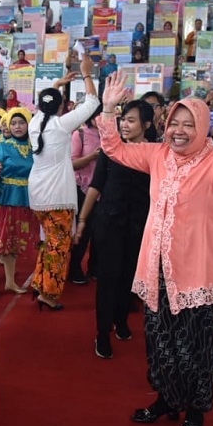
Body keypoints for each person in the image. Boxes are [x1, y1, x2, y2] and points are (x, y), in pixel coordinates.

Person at [98, 70, 213, 426]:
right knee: (161, 340)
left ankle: (195, 413)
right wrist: (107, 109)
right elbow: (116, 149)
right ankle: (167, 400)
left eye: (189, 124)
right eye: (174, 123)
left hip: (201, 269)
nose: (179, 131)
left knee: (197, 346)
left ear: (202, 127)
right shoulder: (157, 155)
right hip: (158, 267)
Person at [76, 100, 153, 358]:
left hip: (139, 225)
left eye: (132, 120)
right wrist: (83, 220)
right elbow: (96, 186)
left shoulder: (156, 154)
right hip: (108, 222)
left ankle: (120, 320)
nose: (125, 125)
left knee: (128, 276)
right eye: (124, 120)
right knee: (108, 278)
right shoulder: (110, 149)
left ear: (147, 125)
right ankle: (102, 333)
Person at [28, 55, 99, 311]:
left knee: (49, 244)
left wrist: (58, 83)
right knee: (59, 248)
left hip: (38, 196)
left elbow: (44, 101)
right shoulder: (60, 125)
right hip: (57, 196)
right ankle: (48, 293)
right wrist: (86, 73)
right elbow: (92, 102)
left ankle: (40, 283)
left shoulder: (35, 123)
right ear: (60, 107)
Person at [0, 106, 37, 295]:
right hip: (4, 199)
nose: (17, 127)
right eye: (13, 123)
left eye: (21, 122)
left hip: (25, 199)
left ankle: (10, 282)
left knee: (14, 243)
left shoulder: (35, 148)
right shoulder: (2, 147)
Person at [67, 109, 101, 285]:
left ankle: (95, 267)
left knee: (99, 232)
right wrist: (92, 156)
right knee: (83, 230)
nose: (98, 119)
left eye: (102, 115)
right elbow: (71, 164)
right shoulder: (79, 134)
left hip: (103, 190)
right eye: (95, 115)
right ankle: (74, 267)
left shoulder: (110, 135)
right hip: (82, 188)